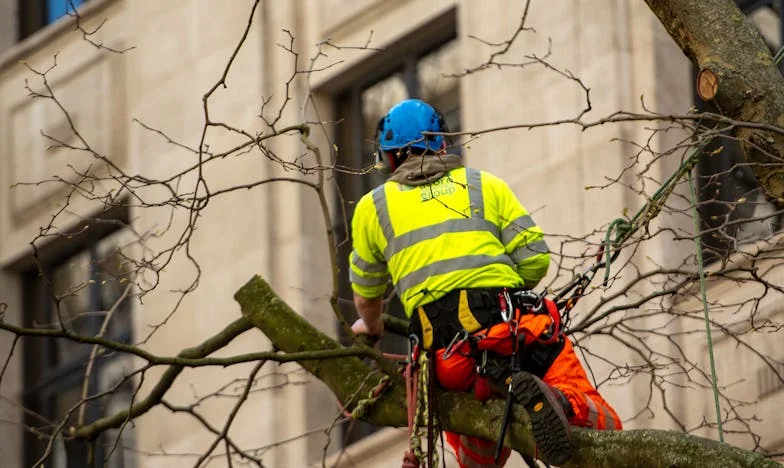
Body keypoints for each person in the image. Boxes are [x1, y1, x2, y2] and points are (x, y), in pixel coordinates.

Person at [349, 99, 620, 467]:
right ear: (441, 143)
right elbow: (536, 259)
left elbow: (367, 294)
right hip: (513, 334)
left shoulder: (372, 207)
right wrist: (506, 283)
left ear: (391, 158)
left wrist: (373, 326)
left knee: (478, 458)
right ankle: (557, 401)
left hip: (448, 361)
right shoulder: (483, 185)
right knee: (605, 425)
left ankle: (492, 403)